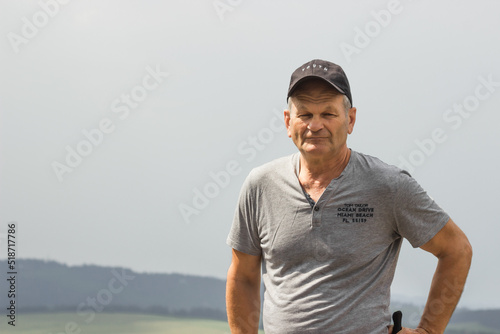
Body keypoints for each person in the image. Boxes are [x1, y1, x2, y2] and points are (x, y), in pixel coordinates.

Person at [225, 59, 472, 334]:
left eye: (328, 114)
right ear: (287, 122)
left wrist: (428, 330)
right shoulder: (260, 185)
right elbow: (244, 276)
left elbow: (456, 250)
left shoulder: (388, 185)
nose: (315, 125)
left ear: (350, 119)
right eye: (305, 114)